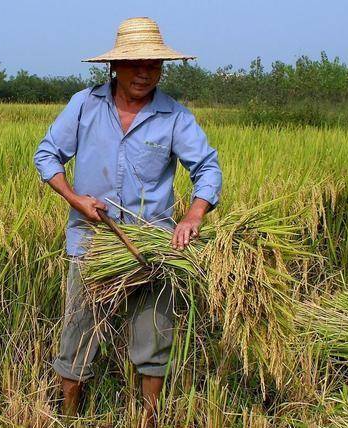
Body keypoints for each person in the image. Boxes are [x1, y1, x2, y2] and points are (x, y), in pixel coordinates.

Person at [33, 17, 223, 425]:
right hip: (91, 242)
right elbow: (47, 155)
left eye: (153, 64)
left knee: (153, 337)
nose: (144, 72)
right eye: (135, 62)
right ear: (114, 67)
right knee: (78, 333)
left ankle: (149, 418)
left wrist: (193, 215)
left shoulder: (174, 116)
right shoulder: (84, 105)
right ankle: (70, 415)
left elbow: (207, 168)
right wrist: (75, 198)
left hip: (152, 249)